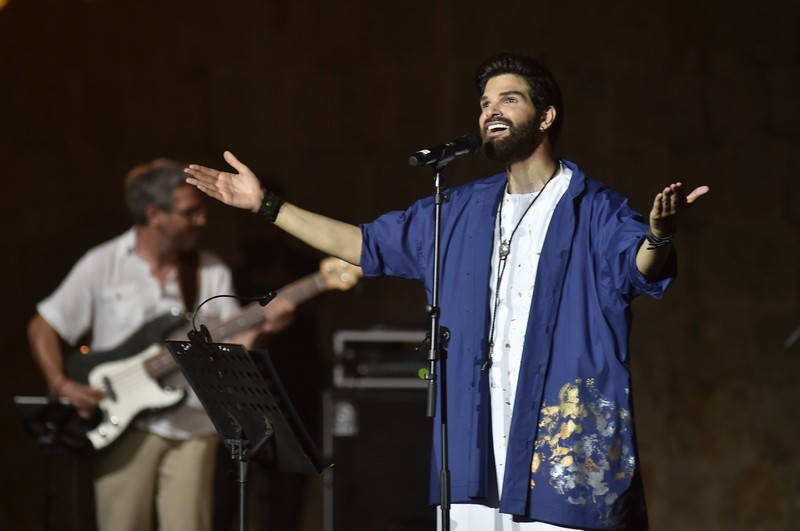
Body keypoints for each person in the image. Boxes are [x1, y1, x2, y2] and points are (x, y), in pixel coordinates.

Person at [184, 52, 710, 531]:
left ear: (546, 116)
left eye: (509, 98)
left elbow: (639, 264)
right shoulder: (456, 210)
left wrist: (659, 235)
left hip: (563, 463)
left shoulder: (594, 208)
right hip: (472, 461)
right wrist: (266, 206)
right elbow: (362, 243)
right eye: (484, 103)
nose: (491, 111)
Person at [27, 158, 295, 531]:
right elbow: (44, 326)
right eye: (190, 212)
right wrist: (62, 384)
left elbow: (234, 348)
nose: (202, 220)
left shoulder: (210, 269)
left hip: (193, 426)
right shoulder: (103, 263)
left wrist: (266, 326)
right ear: (155, 214)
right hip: (125, 424)